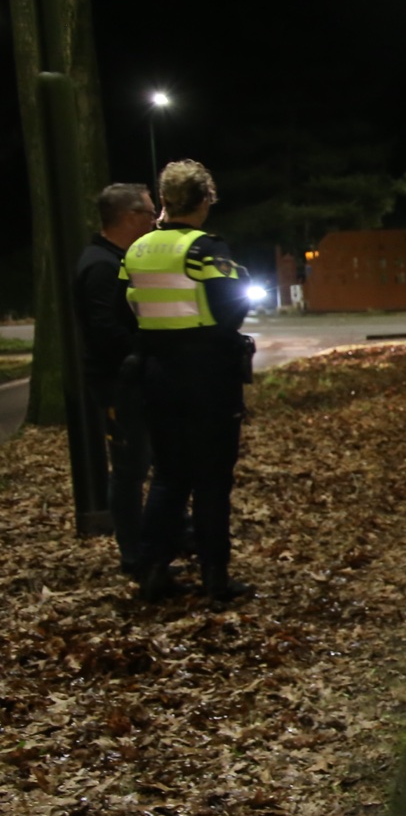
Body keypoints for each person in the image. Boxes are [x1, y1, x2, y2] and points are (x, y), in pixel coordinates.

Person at [122, 160, 252, 602]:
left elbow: (129, 308)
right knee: (212, 480)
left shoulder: (138, 250)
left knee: (168, 476)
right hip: (207, 375)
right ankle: (216, 579)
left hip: (157, 373)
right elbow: (230, 310)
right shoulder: (205, 249)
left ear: (164, 200)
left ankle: (152, 569)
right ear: (205, 201)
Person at [73, 183, 157, 575]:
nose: (154, 221)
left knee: (141, 461)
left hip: (127, 378)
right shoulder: (102, 267)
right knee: (129, 468)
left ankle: (157, 539)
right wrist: (143, 350)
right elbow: (106, 330)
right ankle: (133, 554)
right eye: (149, 213)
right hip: (116, 384)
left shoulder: (113, 260)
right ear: (129, 217)